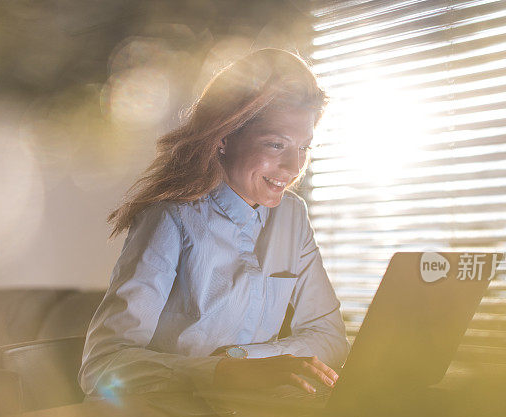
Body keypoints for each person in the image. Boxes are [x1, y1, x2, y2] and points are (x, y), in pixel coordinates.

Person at [79, 48, 349, 398]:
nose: (292, 168)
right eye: (276, 144)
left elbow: (330, 339)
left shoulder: (292, 217)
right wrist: (224, 373)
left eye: (303, 149)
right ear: (223, 137)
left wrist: (241, 362)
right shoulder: (170, 216)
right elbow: (102, 365)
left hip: (247, 415)